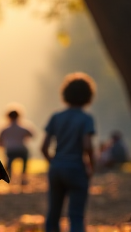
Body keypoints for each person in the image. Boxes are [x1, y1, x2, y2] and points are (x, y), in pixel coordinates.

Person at [41, 72, 96, 232]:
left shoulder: (56, 116)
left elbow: (43, 147)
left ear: (65, 94)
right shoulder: (86, 118)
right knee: (76, 215)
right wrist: (91, 166)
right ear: (88, 95)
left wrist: (54, 162)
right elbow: (87, 146)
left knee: (53, 214)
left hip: (57, 168)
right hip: (77, 168)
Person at [0, 109, 34, 185]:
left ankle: (9, 178)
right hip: (21, 149)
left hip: (10, 150)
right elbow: (31, 135)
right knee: (25, 158)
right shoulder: (23, 128)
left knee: (9, 162)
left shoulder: (5, 129)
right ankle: (23, 177)